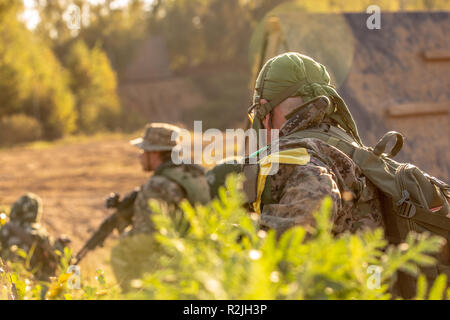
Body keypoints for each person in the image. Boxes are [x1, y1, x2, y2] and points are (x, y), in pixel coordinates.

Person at [242, 52, 384, 236]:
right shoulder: (343, 146)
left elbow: (287, 251)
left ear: (265, 111)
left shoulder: (305, 167)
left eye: (255, 114)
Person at [110, 122, 211, 290]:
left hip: (172, 261)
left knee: (120, 251)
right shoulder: (193, 174)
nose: (140, 156)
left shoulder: (157, 185)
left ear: (155, 152)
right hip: (201, 253)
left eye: (144, 151)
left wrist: (123, 227)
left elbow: (146, 238)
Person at [0, 193, 71, 281]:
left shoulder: (8, 229)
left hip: (12, 282)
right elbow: (60, 261)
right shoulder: (42, 233)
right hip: (41, 284)